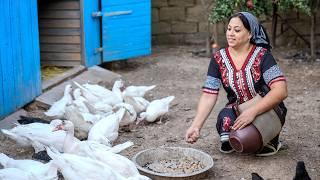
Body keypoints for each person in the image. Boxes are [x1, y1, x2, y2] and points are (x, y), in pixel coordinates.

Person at [185, 12, 288, 156]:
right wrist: (196, 126)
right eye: (229, 29)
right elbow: (209, 94)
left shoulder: (263, 56)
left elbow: (281, 91)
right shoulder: (219, 58)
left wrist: (252, 112)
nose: (230, 34)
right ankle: (237, 137)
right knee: (225, 120)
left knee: (250, 142)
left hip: (267, 108)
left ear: (250, 34)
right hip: (239, 108)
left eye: (237, 30)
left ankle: (269, 140)